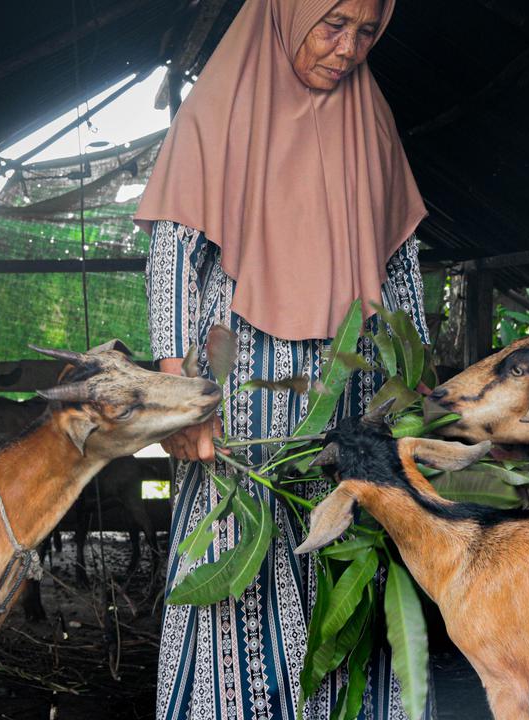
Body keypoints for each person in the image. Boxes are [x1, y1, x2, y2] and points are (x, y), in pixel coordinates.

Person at [135, 0, 429, 717]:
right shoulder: (220, 107)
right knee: (238, 568)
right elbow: (173, 250)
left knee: (346, 568)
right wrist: (179, 393)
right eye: (331, 24)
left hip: (351, 397)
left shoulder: (373, 122)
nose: (347, 48)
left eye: (365, 32)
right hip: (240, 397)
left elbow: (399, 269)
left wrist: (416, 390)